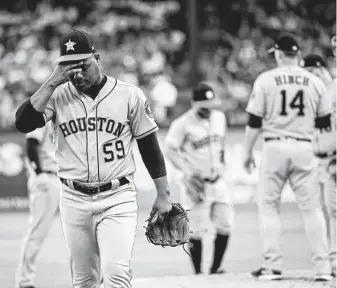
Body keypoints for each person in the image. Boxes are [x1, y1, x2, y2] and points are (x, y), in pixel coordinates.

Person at [15, 29, 172, 288]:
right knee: (84, 280)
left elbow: (149, 146)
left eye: (83, 64)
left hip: (117, 197)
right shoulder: (56, 95)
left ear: (97, 58)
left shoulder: (129, 95)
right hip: (73, 199)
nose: (76, 73)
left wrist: (163, 193)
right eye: (68, 66)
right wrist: (53, 80)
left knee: (116, 273)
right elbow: (23, 122)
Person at [242, 34, 333, 281]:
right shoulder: (315, 81)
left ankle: (272, 266)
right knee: (313, 209)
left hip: (274, 146)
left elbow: (254, 121)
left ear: (279, 54)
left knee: (269, 206)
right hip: (305, 147)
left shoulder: (266, 79)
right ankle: (323, 268)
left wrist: (247, 151)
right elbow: (324, 123)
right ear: (298, 55)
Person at [165, 82, 234, 275]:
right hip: (197, 184)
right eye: (204, 106)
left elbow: (221, 144)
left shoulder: (219, 118)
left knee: (225, 225)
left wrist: (222, 164)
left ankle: (215, 268)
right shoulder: (182, 123)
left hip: (218, 181)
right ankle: (198, 274)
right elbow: (169, 149)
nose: (208, 109)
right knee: (197, 230)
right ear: (194, 103)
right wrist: (186, 171)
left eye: (211, 105)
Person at [301, 54, 336, 277]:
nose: (310, 77)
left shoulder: (334, 89)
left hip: (333, 158)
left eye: (312, 72)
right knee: (315, 211)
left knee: (334, 210)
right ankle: (325, 263)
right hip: (315, 159)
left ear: (321, 68)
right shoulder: (312, 92)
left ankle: (334, 260)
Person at [16, 121, 61, 288]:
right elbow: (31, 143)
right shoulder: (43, 114)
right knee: (37, 233)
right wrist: (38, 172)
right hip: (46, 179)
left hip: (66, 179)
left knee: (84, 229)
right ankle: (25, 281)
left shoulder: (69, 112)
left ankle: (96, 277)